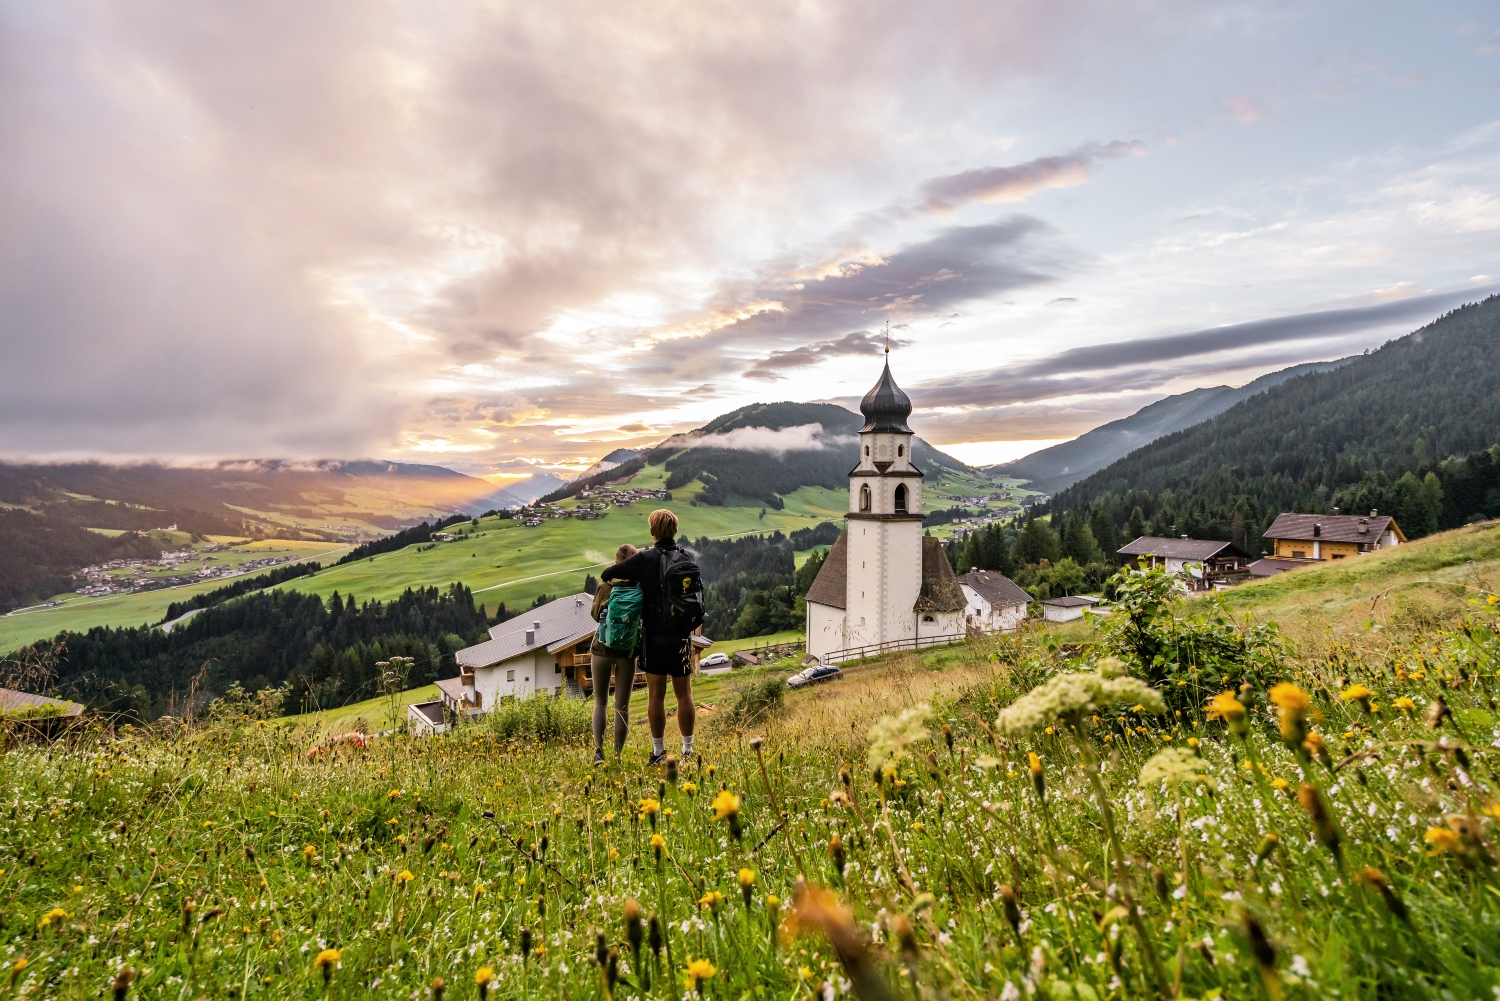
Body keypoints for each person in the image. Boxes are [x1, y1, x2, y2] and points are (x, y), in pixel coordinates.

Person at [600, 508, 696, 765]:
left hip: (654, 637)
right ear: (674, 530)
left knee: (657, 695)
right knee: (684, 694)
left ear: (652, 532)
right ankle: (688, 750)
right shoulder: (687, 557)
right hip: (682, 637)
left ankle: (658, 752)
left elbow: (607, 574)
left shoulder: (644, 560)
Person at [589, 543, 639, 766]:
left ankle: (599, 752)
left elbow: (594, 615)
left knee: (600, 700)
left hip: (601, 648)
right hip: (627, 650)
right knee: (622, 705)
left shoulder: (605, 586)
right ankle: (618, 756)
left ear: (616, 560)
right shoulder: (639, 587)